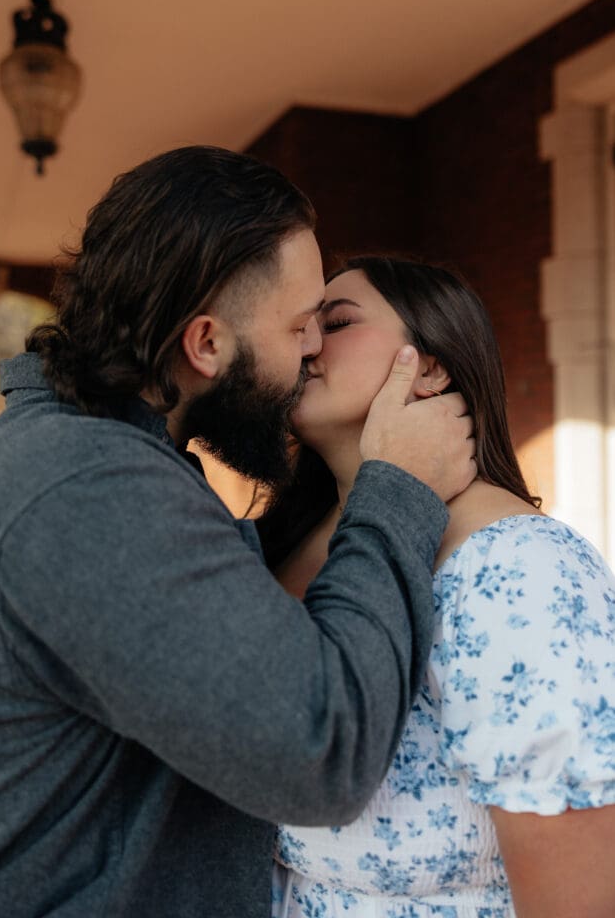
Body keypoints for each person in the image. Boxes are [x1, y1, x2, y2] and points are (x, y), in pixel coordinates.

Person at [0, 149, 476, 917]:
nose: (313, 349)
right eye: (298, 326)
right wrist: (398, 491)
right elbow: (319, 757)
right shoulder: (86, 488)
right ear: (207, 344)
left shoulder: (87, 459)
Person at [263, 256, 615, 918]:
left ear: (428, 365)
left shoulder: (516, 567)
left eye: (334, 322)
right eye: (301, 325)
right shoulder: (283, 543)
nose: (306, 341)